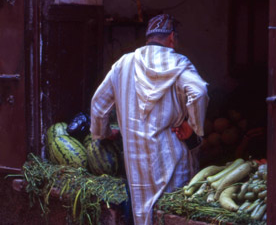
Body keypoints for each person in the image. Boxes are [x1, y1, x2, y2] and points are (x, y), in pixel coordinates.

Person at [90, 14, 209, 225]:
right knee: (171, 216)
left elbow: (98, 105)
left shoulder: (123, 64)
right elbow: (199, 92)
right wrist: (194, 128)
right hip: (172, 162)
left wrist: (104, 134)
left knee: (143, 216)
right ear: (171, 38)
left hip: (137, 167)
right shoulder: (179, 63)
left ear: (148, 38)